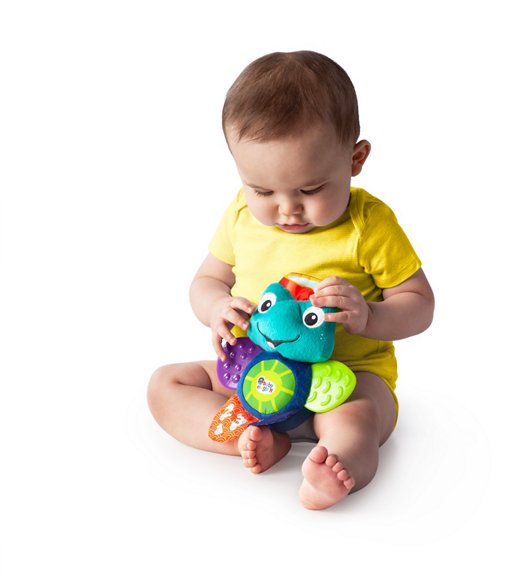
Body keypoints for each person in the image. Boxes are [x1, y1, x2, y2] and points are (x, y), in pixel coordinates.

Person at [147, 50, 435, 510]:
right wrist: (216, 307)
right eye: (262, 190)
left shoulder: (369, 225)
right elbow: (206, 280)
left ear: (355, 158)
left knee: (359, 421)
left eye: (311, 189)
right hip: (254, 377)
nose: (287, 209)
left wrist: (369, 315)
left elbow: (419, 304)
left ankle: (334, 469)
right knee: (166, 385)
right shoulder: (241, 216)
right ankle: (253, 438)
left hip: (346, 381)